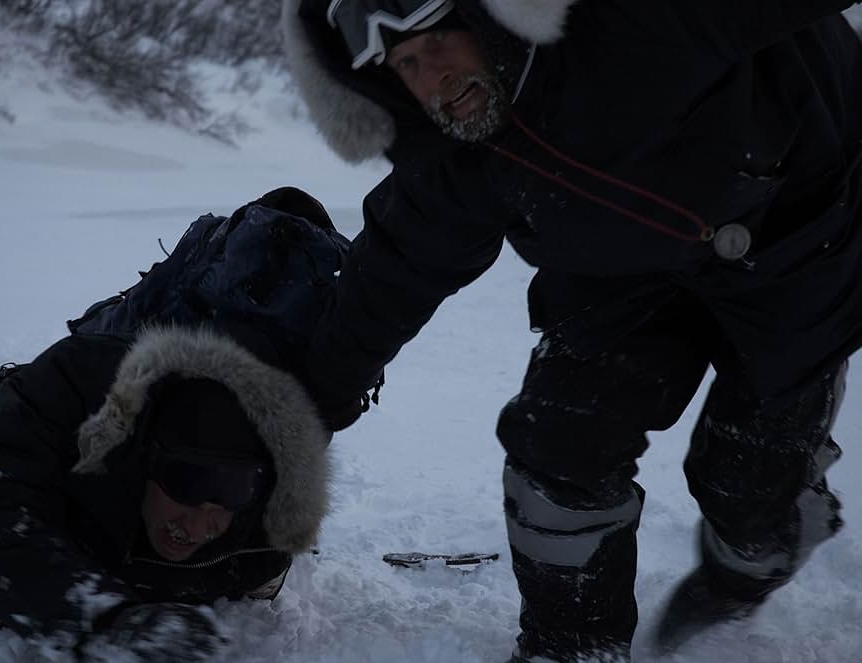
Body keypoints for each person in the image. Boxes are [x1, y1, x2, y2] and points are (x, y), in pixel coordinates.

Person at [282, 1, 862, 661]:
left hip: (799, 246)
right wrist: (303, 414)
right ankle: (572, 643)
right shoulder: (457, 156)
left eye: (441, 39)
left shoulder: (629, 20)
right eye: (406, 64)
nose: (432, 74)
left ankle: (748, 565)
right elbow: (389, 278)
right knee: (557, 444)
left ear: (492, 21)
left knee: (747, 487)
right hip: (621, 272)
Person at [0, 189, 338, 661]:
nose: (199, 521)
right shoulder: (73, 394)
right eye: (187, 481)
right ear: (143, 454)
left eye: (232, 490)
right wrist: (105, 622)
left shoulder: (267, 525)